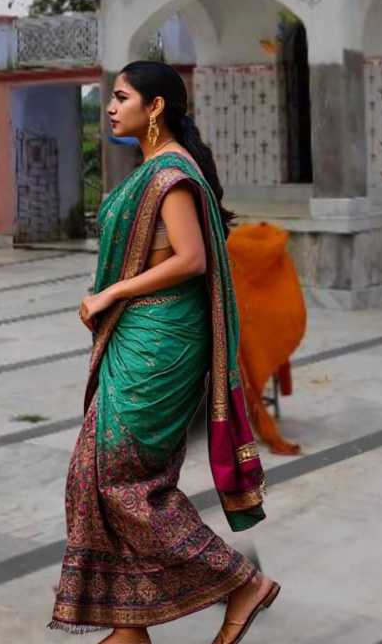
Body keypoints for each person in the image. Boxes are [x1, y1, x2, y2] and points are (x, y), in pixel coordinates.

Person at [50, 61, 279, 643]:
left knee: (120, 477)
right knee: (91, 475)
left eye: (121, 97)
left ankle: (240, 582)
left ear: (155, 107)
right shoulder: (151, 169)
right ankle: (131, 627)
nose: (110, 107)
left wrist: (112, 292)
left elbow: (191, 258)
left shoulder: (171, 174)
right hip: (138, 335)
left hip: (163, 341)